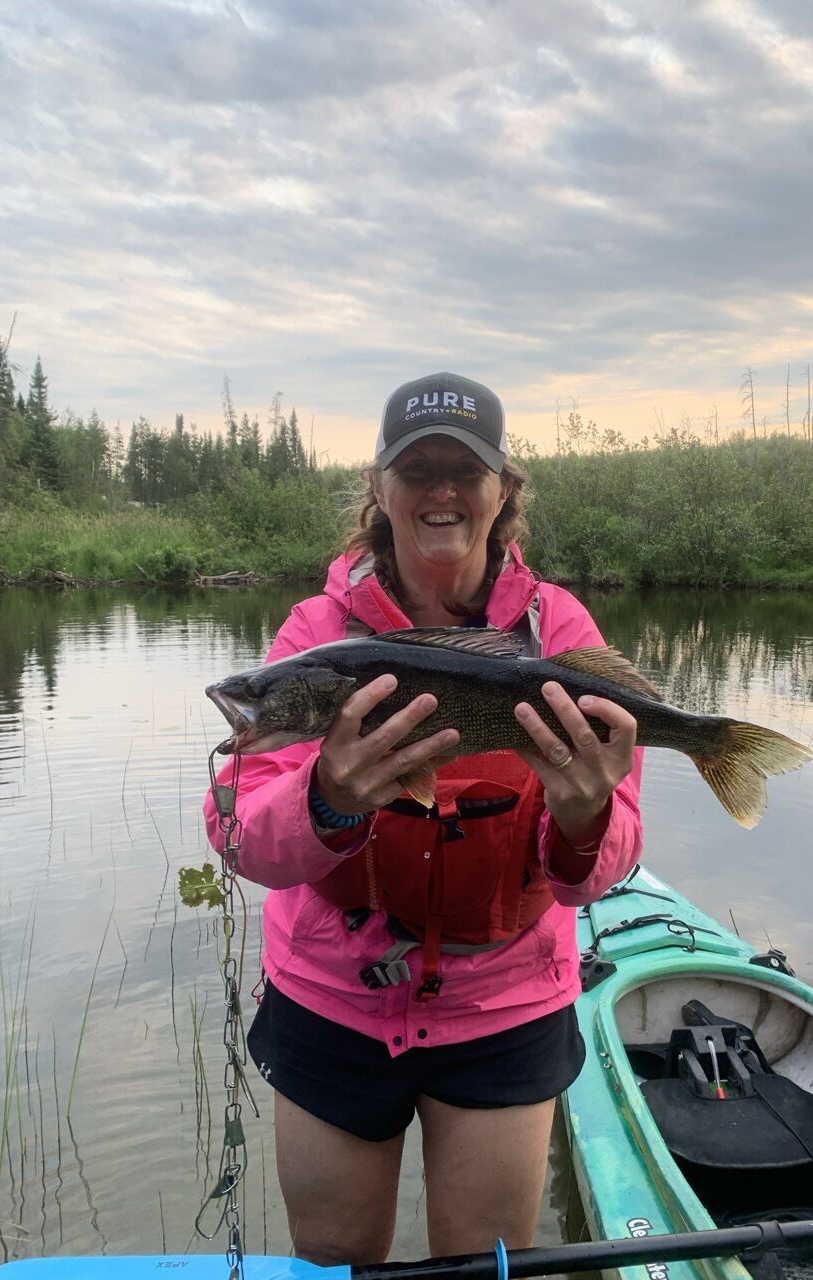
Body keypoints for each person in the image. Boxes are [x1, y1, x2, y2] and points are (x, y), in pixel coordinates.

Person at [204, 371, 644, 1266]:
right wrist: (325, 799)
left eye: (465, 469)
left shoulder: (558, 630)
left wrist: (586, 814)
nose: (441, 489)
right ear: (380, 488)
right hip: (334, 996)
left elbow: (600, 871)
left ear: (502, 492)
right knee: (330, 1263)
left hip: (506, 1001)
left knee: (484, 1265)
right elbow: (236, 833)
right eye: (417, 469)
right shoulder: (315, 636)